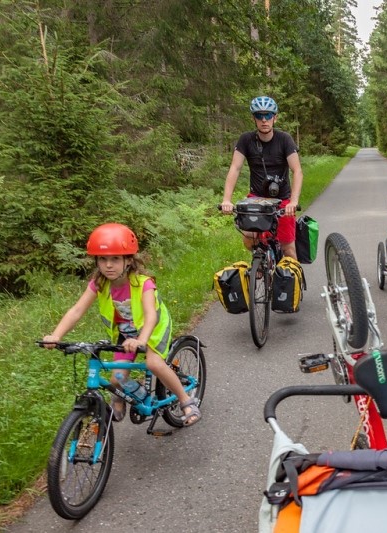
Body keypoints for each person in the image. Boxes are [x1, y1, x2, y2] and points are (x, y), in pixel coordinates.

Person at [42, 223, 201, 426]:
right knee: (117, 377)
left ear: (128, 261)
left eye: (115, 259)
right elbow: (77, 310)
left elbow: (151, 315)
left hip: (153, 330)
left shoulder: (143, 283)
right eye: (103, 259)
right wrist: (56, 335)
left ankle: (187, 401)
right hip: (126, 333)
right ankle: (120, 396)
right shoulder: (99, 284)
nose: (108, 265)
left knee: (153, 363)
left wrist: (142, 340)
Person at [220, 96, 304, 260]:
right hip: (257, 198)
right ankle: (261, 262)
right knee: (249, 238)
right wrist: (226, 200)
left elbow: (297, 171)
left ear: (275, 117)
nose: (264, 120)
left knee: (288, 249)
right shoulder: (246, 139)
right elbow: (235, 168)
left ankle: (293, 283)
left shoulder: (284, 139)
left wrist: (293, 201)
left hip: (282, 200)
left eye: (268, 115)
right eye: (259, 116)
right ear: (254, 118)